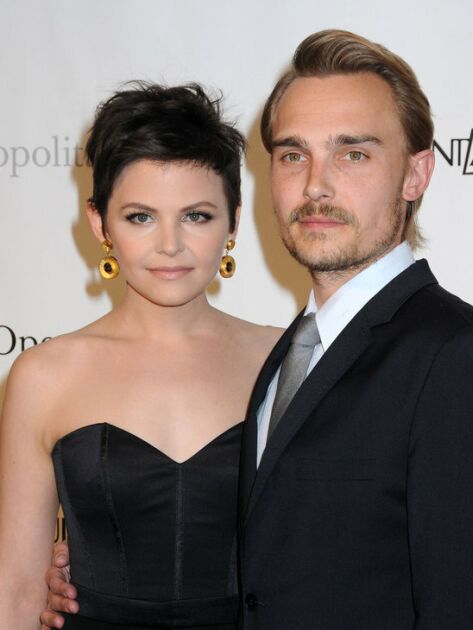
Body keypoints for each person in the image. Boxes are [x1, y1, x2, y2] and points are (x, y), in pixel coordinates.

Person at [42, 30, 473, 629]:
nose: (315, 185)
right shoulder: (290, 352)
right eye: (293, 155)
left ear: (416, 175)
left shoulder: (454, 353)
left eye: (353, 154)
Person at [0, 82, 282, 629]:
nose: (169, 244)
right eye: (140, 217)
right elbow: (16, 594)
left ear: (233, 221)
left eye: (196, 215)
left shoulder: (284, 361)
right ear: (100, 223)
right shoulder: (43, 376)